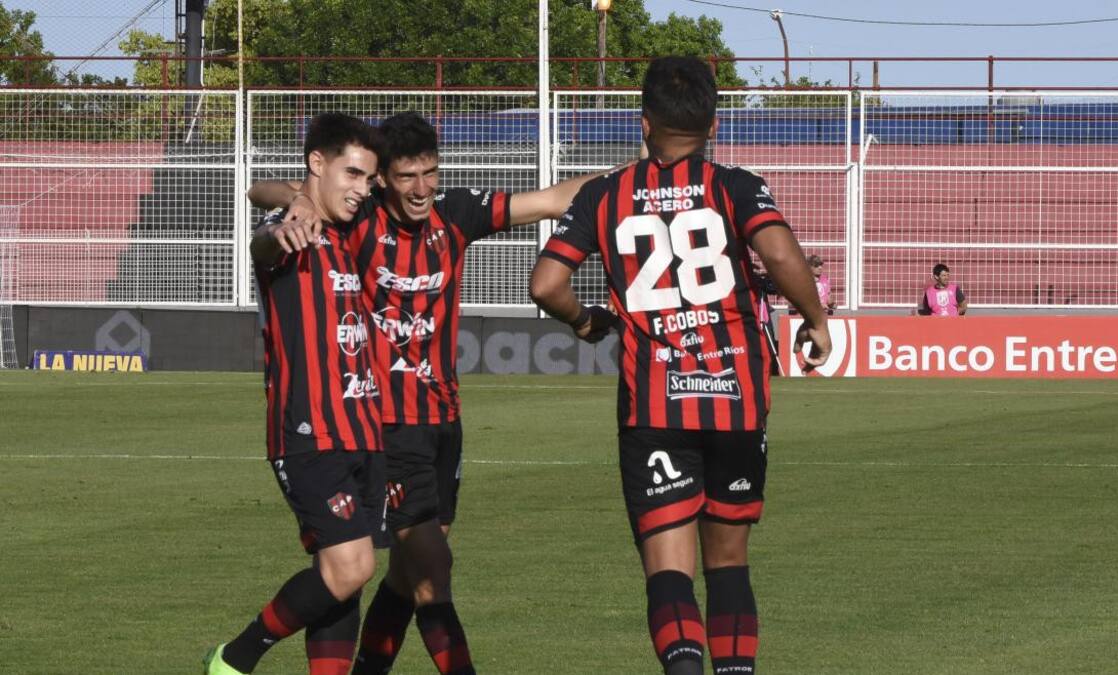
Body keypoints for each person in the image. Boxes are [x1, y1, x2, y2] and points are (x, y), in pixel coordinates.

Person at [249, 111, 628, 675]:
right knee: (431, 573)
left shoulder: (455, 215)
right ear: (383, 181)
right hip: (385, 422)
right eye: (407, 177)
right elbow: (267, 192)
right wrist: (294, 200)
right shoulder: (360, 219)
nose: (422, 189)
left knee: (407, 575)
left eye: (431, 173)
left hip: (444, 422)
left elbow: (551, 200)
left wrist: (641, 175)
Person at [529, 56, 831, 675]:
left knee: (668, 571)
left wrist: (586, 322)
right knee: (729, 564)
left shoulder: (603, 195)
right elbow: (779, 253)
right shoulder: (736, 185)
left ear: (644, 124)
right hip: (736, 397)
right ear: (713, 124)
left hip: (653, 403)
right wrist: (814, 319)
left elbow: (545, 284)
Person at [205, 113, 387, 675]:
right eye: (352, 174)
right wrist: (287, 211)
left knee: (343, 575)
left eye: (368, 179)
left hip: (366, 428)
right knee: (350, 567)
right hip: (309, 431)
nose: (361, 189)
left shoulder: (350, 227)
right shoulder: (291, 228)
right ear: (316, 164)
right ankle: (235, 657)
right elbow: (263, 231)